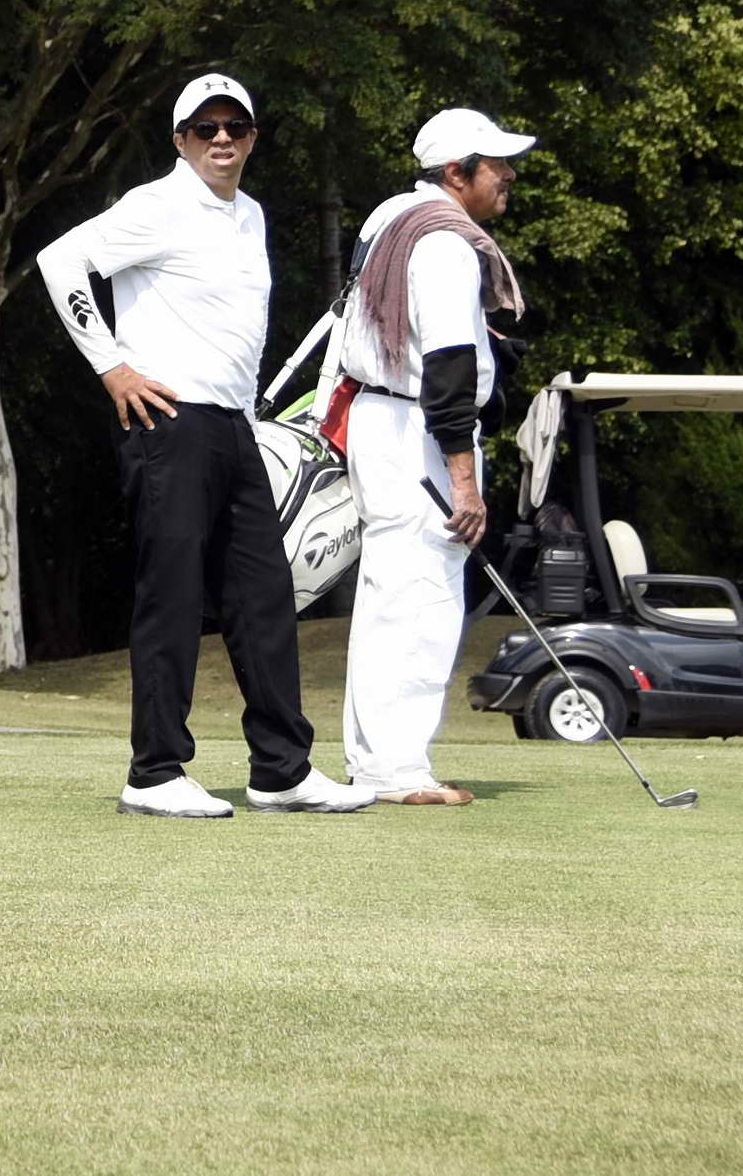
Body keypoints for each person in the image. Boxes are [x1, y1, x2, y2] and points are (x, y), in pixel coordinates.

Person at [38, 75, 371, 818]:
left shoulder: (249, 214)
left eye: (236, 127)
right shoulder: (158, 204)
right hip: (169, 423)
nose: (222, 139)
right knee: (174, 595)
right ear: (180, 139)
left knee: (264, 597)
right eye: (205, 127)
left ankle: (281, 770)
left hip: (233, 428)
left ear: (252, 137)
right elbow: (61, 262)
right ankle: (154, 772)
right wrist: (112, 367)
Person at [335, 108, 536, 805]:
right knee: (423, 599)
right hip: (420, 431)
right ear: (456, 173)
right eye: (496, 164)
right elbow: (449, 366)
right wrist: (465, 483)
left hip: (381, 419)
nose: (508, 175)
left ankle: (375, 763)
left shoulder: (389, 216)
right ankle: (398, 771)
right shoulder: (447, 243)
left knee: (389, 596)